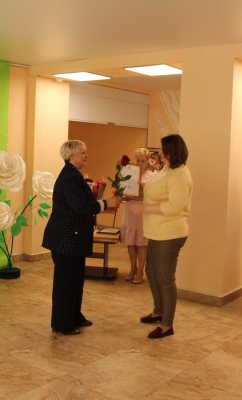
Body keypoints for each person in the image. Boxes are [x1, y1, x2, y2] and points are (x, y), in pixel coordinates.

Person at [42, 140, 119, 335]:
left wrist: (102, 208)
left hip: (72, 239)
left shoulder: (73, 175)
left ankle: (74, 316)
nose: (86, 156)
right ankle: (62, 324)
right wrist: (105, 204)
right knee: (66, 284)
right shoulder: (70, 177)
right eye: (83, 153)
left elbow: (79, 205)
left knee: (75, 281)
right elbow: (79, 207)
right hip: (66, 239)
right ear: (72, 155)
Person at [135, 134, 193, 339]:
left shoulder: (180, 175)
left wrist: (145, 208)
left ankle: (167, 325)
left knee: (165, 278)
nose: (160, 153)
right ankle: (159, 311)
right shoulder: (168, 169)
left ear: (172, 151)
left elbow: (175, 206)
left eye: (163, 150)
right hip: (157, 231)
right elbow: (158, 188)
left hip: (170, 233)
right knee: (151, 271)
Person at [120, 147, 155, 284]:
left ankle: (140, 270)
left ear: (148, 161)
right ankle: (132, 268)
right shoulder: (129, 173)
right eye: (138, 160)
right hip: (130, 209)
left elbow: (153, 196)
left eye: (143, 161)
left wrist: (142, 189)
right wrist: (123, 193)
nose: (140, 163)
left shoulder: (152, 176)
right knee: (131, 242)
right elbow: (123, 190)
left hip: (142, 211)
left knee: (142, 243)